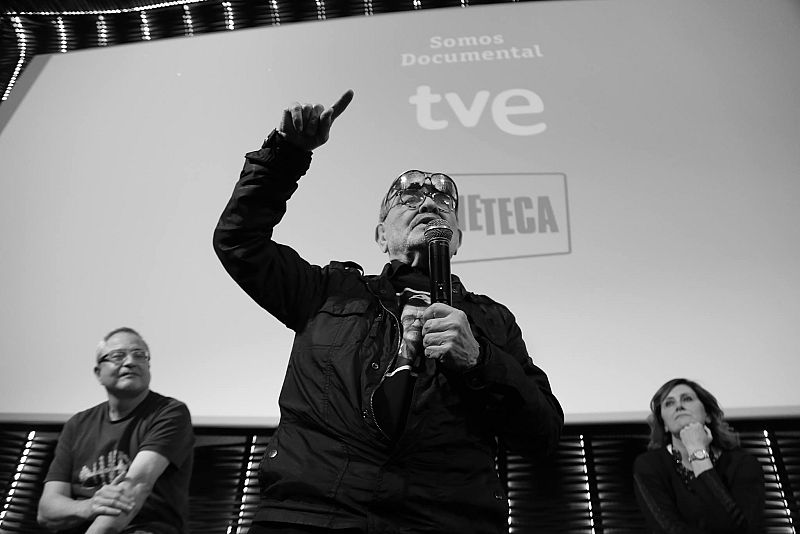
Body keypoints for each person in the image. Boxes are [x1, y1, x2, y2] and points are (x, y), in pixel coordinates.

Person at [212, 90, 564, 534]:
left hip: (446, 520)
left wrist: (480, 361)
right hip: (315, 515)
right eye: (409, 197)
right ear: (381, 234)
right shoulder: (326, 291)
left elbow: (543, 434)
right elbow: (239, 243)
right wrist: (287, 154)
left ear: (456, 239)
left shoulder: (493, 322)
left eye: (443, 202)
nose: (429, 202)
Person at [37, 327, 195, 534]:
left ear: (148, 366)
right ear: (98, 373)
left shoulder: (169, 412)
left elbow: (134, 489)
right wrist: (90, 506)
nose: (130, 362)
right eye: (117, 356)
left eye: (140, 355)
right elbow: (47, 510)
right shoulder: (77, 424)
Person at [633, 378, 764, 533]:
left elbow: (742, 529)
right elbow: (668, 529)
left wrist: (696, 450)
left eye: (687, 399)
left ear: (707, 414)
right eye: (669, 403)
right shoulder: (650, 465)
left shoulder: (743, 464)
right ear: (665, 425)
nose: (679, 406)